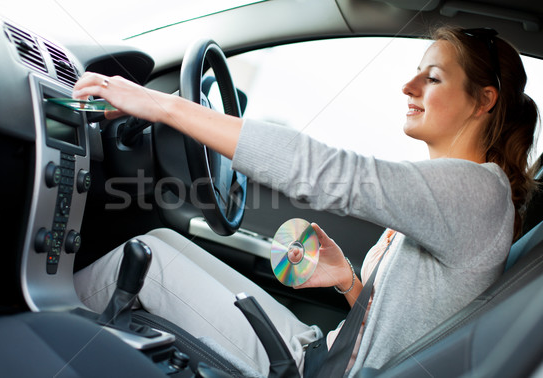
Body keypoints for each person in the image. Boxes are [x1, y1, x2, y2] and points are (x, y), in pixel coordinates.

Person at [72, 26, 539, 377]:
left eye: (432, 77)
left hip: (317, 370)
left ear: (483, 101)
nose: (409, 86)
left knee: (141, 264)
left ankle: (22, 343)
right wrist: (351, 284)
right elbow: (413, 329)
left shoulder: (474, 190)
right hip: (322, 352)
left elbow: (328, 171)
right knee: (157, 240)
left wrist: (161, 105)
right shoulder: (466, 190)